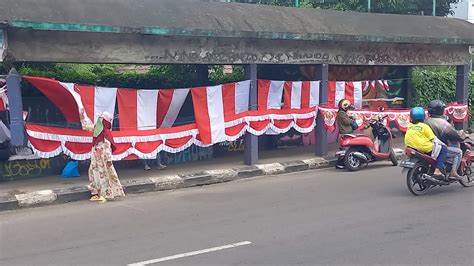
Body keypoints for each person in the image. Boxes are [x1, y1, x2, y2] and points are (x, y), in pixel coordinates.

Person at [87, 112, 125, 203]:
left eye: (101, 119)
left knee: (103, 176)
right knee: (93, 174)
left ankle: (105, 194)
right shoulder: (97, 131)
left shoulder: (106, 133)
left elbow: (108, 147)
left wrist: (108, 159)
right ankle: (96, 192)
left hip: (103, 160)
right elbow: (86, 126)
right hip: (96, 159)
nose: (99, 121)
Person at [405, 107, 448, 178]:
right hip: (424, 148)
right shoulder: (425, 126)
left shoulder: (410, 126)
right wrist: (443, 144)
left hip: (411, 147)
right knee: (444, 149)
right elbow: (434, 139)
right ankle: (437, 170)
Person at [424, 100, 463, 179]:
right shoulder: (443, 123)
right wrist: (462, 135)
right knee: (458, 152)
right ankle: (453, 172)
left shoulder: (425, 120)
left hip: (426, 146)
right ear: (440, 110)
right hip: (437, 147)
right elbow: (455, 135)